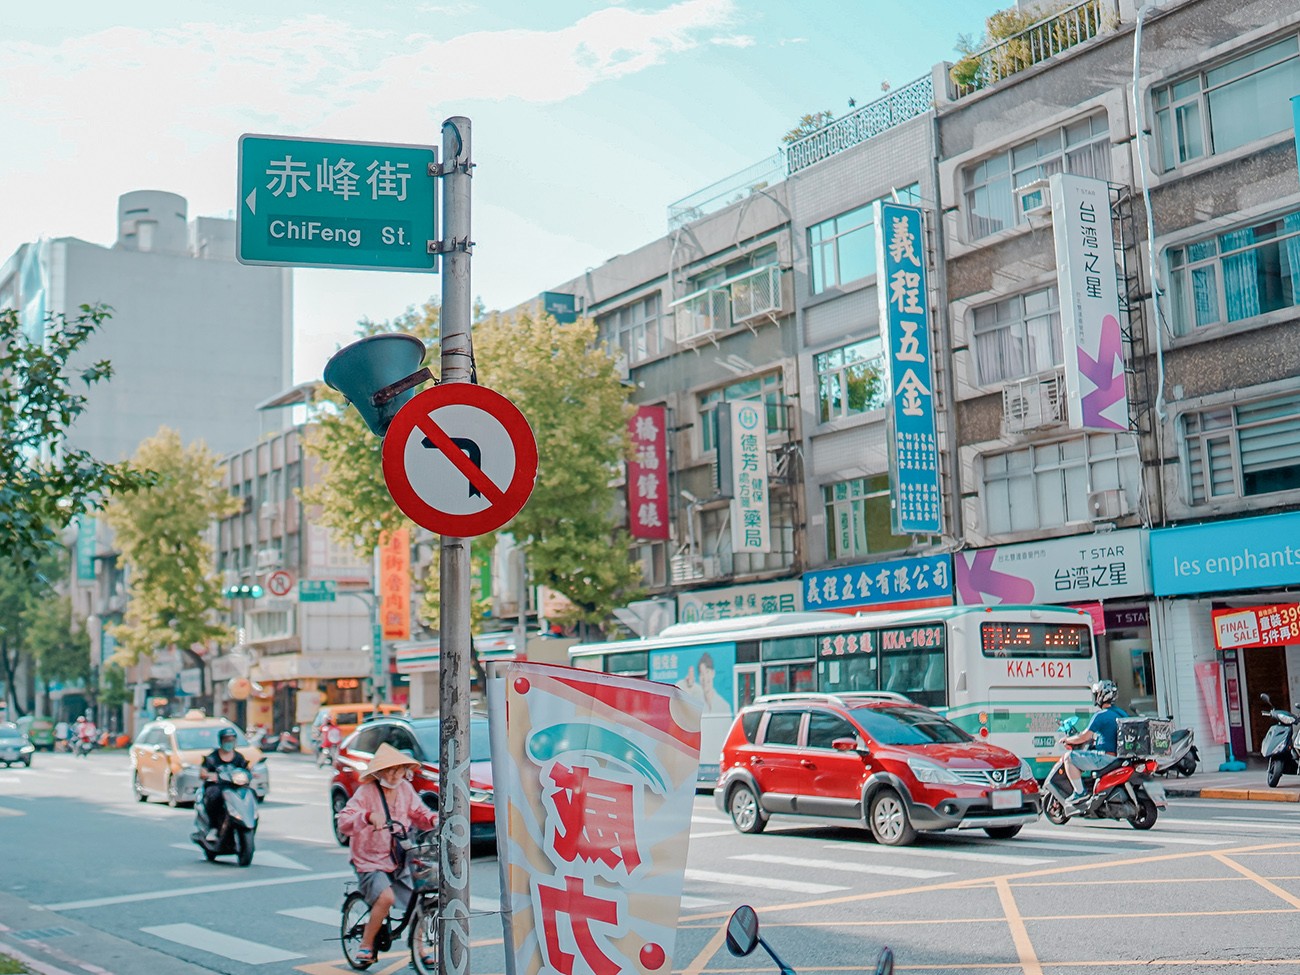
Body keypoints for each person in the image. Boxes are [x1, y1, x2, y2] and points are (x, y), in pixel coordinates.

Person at [337, 744, 437, 966]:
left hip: (400, 857)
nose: (393, 775)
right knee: (386, 898)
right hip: (369, 859)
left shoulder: (405, 790)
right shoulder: (366, 792)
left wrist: (434, 820)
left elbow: (420, 813)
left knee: (419, 896)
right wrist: (367, 816)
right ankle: (365, 945)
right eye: (388, 770)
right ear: (379, 772)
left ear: (404, 770)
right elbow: (344, 821)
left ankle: (419, 948)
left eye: (397, 770)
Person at [1062, 679, 1128, 805]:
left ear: (1101, 695)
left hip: (1105, 758)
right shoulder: (1122, 713)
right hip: (1120, 758)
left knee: (1069, 758)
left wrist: (1067, 739)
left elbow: (1084, 737)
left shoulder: (1101, 715)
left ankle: (1079, 793)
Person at [200, 727, 249, 842]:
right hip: (218, 787)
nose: (229, 742)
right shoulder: (212, 758)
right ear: (221, 741)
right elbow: (203, 772)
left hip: (235, 787)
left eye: (232, 740)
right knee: (214, 796)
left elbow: (245, 770)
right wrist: (209, 775)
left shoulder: (239, 757)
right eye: (227, 740)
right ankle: (213, 827)